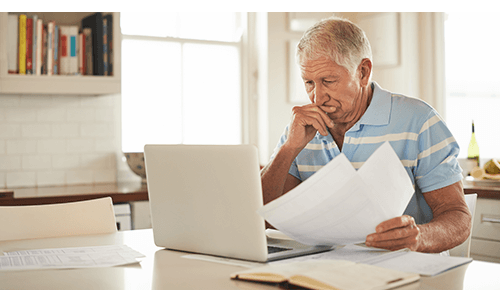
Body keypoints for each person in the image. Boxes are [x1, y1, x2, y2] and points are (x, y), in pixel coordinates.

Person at [260, 16, 471, 253]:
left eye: (328, 81)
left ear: (362, 72)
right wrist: (288, 149)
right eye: (309, 82)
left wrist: (418, 237)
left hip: (405, 272)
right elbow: (265, 219)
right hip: (324, 272)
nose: (317, 97)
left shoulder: (419, 121)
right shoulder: (300, 129)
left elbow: (459, 218)